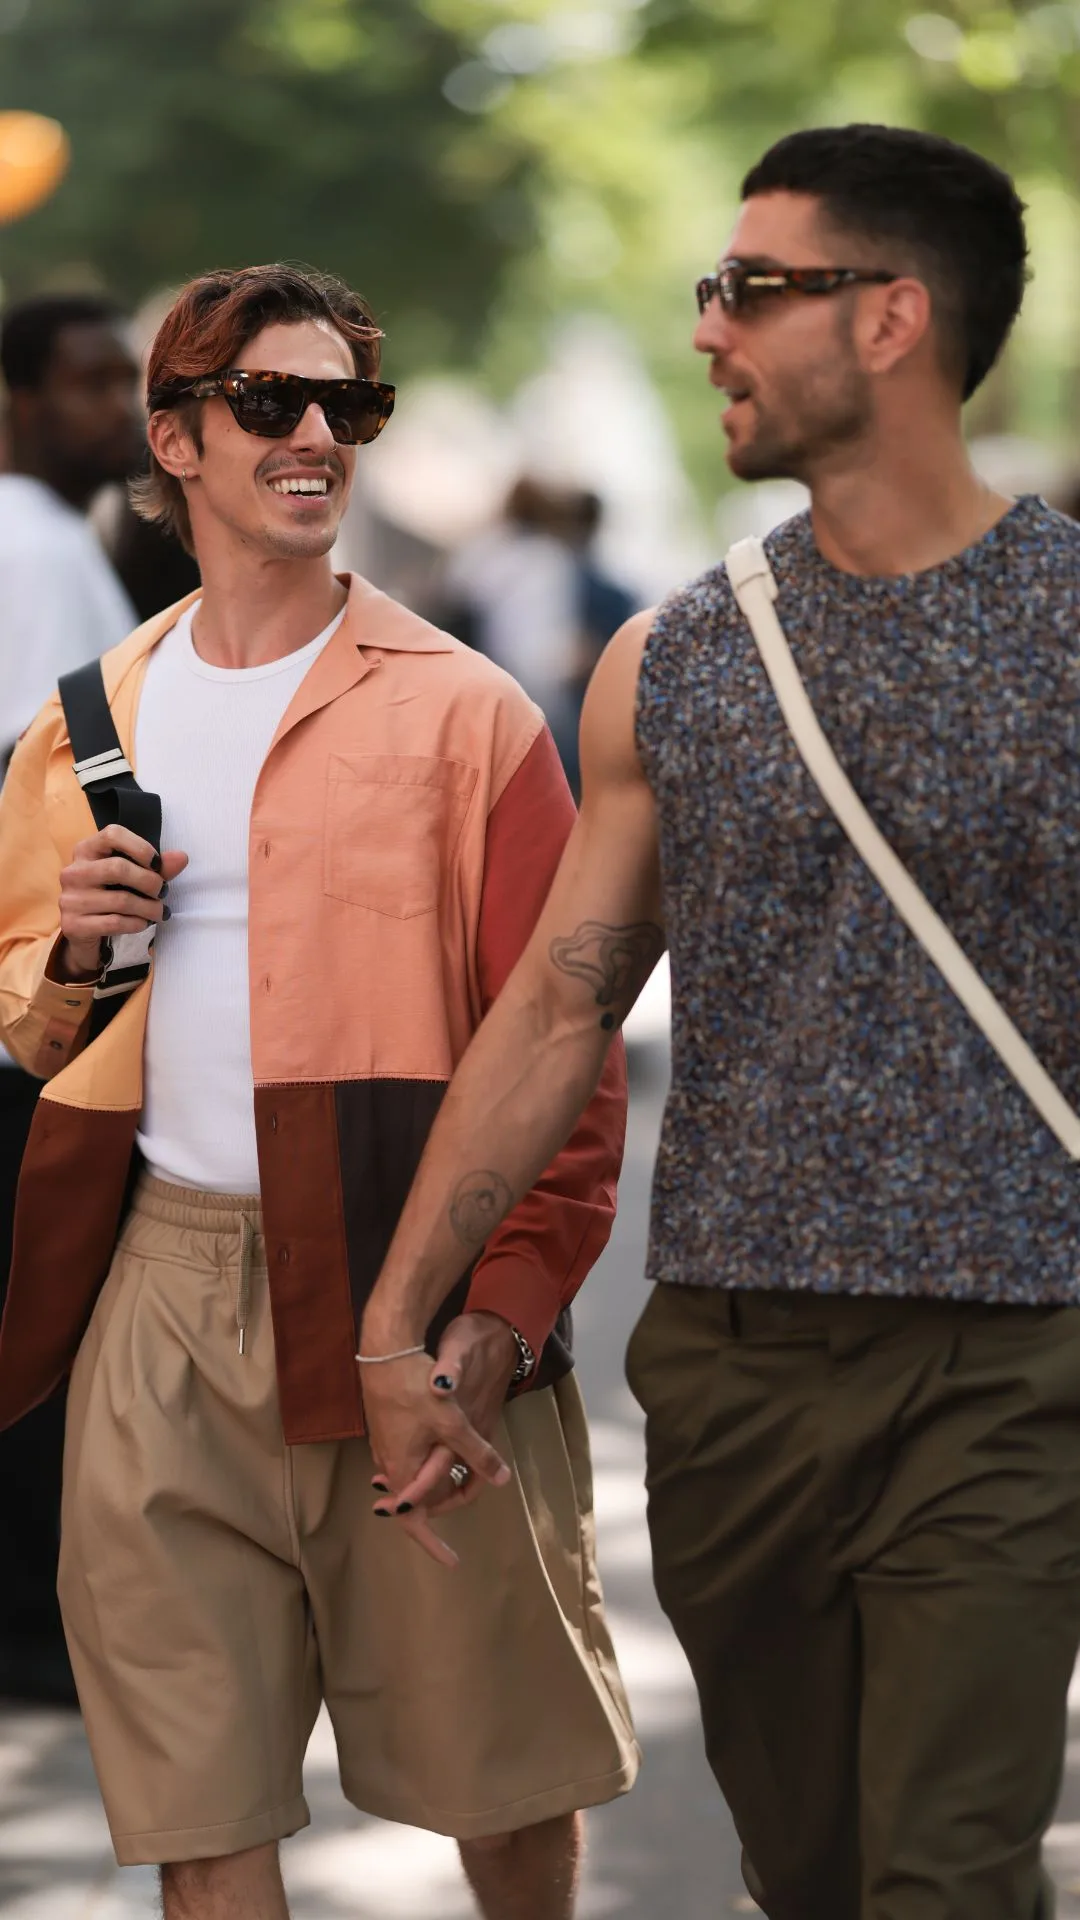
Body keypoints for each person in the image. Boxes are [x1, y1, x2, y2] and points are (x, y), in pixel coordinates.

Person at [357, 125, 1080, 1919]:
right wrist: (395, 1324)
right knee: (811, 1870)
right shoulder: (674, 658)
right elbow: (556, 1007)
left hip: (1015, 1358)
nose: (711, 329)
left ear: (895, 317)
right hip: (737, 1368)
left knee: (950, 1875)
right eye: (714, 288)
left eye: (756, 289)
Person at [0, 263, 637, 1919]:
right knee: (194, 1802)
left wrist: (490, 1324)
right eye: (268, 402)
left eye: (346, 405)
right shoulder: (84, 723)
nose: (315, 435)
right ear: (176, 440)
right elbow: (32, 1036)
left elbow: (559, 1059)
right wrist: (76, 956)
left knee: (506, 1779)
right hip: (157, 1293)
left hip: (403, 1294)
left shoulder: (468, 713)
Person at [0, 291, 142, 1705]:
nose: (117, 407)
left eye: (127, 381)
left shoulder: (57, 542)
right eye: (90, 380)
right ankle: (33, 1628)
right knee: (40, 1302)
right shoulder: (34, 549)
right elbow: (29, 787)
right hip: (32, 1010)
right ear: (16, 399)